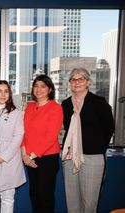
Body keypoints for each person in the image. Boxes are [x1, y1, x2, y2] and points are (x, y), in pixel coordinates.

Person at [61, 68, 115, 213]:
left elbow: (109, 128)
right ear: (70, 83)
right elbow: (67, 128)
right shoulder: (65, 104)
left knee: (90, 202)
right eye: (73, 79)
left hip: (92, 157)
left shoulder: (99, 102)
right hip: (69, 157)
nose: (76, 82)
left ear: (88, 82)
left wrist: (96, 147)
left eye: (81, 79)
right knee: (72, 201)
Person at [21, 74, 63, 213]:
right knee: (34, 194)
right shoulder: (30, 106)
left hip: (47, 159)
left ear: (50, 89)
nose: (39, 89)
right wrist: (25, 156)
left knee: (45, 197)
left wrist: (32, 156)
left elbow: (50, 138)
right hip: (29, 158)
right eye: (36, 86)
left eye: (43, 86)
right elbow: (24, 132)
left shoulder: (55, 108)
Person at [0, 80, 26, 213]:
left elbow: (18, 136)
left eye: (6, 91)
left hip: (9, 159)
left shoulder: (16, 113)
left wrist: (3, 157)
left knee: (8, 198)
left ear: (10, 94)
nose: (3, 94)